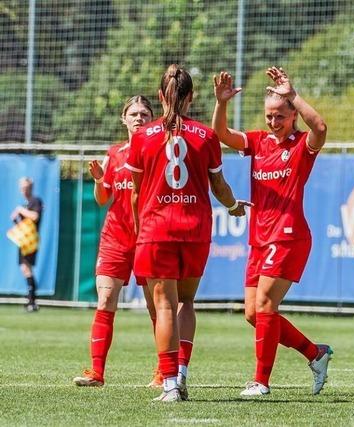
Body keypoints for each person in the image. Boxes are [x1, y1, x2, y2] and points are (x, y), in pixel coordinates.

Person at [126, 64, 248, 402]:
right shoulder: (206, 136)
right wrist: (235, 206)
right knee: (187, 301)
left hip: (156, 229)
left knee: (165, 306)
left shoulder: (142, 137)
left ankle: (169, 385)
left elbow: (137, 192)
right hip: (195, 229)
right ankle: (181, 373)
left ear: (161, 96)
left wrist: (139, 232)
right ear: (191, 97)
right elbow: (219, 185)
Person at [212, 67, 332, 397]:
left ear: (293, 115)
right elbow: (221, 134)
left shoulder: (300, 146)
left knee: (265, 305)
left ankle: (261, 382)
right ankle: (314, 353)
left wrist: (292, 93)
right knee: (253, 313)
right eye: (269, 116)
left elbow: (320, 127)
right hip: (260, 238)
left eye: (280, 116)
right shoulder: (258, 142)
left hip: (290, 236)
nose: (273, 122)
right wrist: (221, 103)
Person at [73, 95, 164, 388]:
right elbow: (103, 200)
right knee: (105, 300)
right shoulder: (114, 154)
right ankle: (96, 373)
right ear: (123, 119)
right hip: (115, 238)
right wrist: (100, 181)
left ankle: (165, 371)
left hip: (149, 237)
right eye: (134, 114)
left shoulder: (160, 151)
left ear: (153, 119)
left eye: (145, 114)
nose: (139, 118)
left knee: (157, 307)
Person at [11, 177, 43, 312]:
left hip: (31, 241)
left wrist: (20, 210)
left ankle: (32, 301)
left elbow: (35, 216)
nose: (24, 190)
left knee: (26, 268)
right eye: (22, 188)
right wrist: (16, 218)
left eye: (26, 188)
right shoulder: (25, 203)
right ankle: (32, 299)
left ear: (31, 188)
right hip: (23, 240)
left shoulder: (35, 201)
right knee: (25, 269)